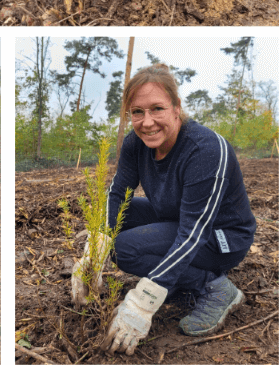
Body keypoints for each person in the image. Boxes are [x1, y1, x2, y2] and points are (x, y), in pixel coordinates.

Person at [69, 65, 257, 353]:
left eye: (157, 108)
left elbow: (194, 232)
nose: (147, 122)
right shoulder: (136, 143)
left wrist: (144, 301)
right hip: (177, 216)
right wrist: (95, 250)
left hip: (222, 236)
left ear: (176, 108)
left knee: (125, 249)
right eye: (137, 112)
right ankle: (177, 277)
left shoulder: (205, 150)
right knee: (120, 219)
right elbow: (118, 193)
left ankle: (214, 287)